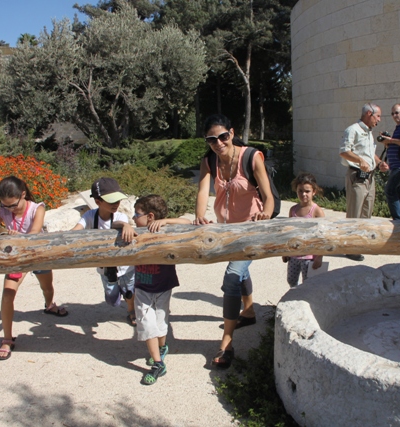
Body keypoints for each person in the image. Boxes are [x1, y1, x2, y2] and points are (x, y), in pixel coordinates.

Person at [194, 113, 274, 369]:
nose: (218, 143)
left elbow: (268, 196)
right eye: (211, 139)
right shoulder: (209, 161)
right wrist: (199, 216)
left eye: (223, 137)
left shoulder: (251, 157)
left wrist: (267, 214)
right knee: (238, 272)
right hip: (226, 231)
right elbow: (203, 191)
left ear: (231, 132)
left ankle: (226, 343)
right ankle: (248, 312)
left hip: (250, 230)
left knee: (231, 276)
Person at [0, 176, 68, 361]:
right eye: (5, 205)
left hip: (36, 253)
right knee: (7, 294)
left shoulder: (37, 208)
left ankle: (49, 305)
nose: (9, 209)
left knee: (47, 287)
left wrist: (20, 235)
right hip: (17, 257)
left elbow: (34, 232)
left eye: (13, 205)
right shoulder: (3, 210)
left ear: (23, 195)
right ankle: (7, 339)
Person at [132, 194, 191, 385]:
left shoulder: (166, 230)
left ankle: (162, 347)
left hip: (164, 286)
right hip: (142, 288)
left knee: (161, 320)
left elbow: (187, 222)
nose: (133, 217)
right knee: (146, 323)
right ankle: (158, 364)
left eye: (136, 214)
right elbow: (117, 223)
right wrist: (124, 226)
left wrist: (165, 221)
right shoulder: (134, 231)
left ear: (150, 216)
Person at [70, 177, 138, 326]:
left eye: (117, 200)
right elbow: (77, 229)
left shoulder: (120, 216)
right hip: (105, 268)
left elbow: (118, 222)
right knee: (112, 298)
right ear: (98, 202)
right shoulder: (89, 216)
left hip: (125, 266)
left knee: (130, 291)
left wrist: (125, 225)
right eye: (111, 201)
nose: (116, 204)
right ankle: (118, 296)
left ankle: (131, 310)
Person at [339, 103, 389, 261]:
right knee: (355, 214)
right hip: (357, 177)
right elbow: (344, 151)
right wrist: (360, 161)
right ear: (369, 113)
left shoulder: (368, 133)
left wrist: (380, 162)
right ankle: (351, 248)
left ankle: (361, 244)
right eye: (378, 116)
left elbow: (370, 153)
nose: (379, 120)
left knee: (366, 214)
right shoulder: (353, 130)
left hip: (370, 177)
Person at [282, 172, 325, 287]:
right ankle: (294, 298)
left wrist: (319, 257)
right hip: (294, 255)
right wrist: (285, 251)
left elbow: (323, 236)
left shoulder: (316, 211)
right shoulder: (293, 210)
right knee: (291, 280)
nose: (303, 194)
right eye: (300, 191)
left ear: (314, 191)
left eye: (307, 191)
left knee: (308, 283)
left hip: (310, 256)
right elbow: (289, 232)